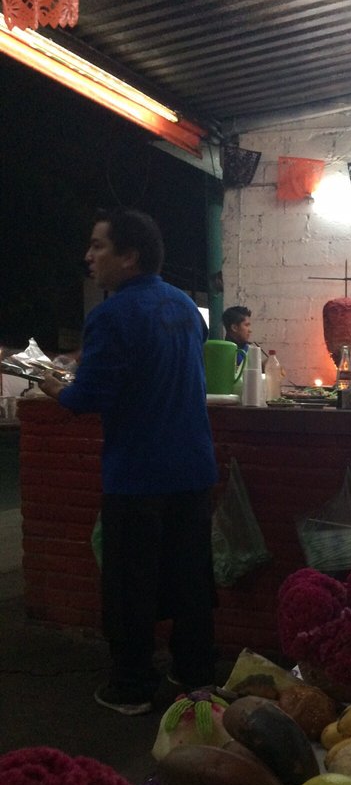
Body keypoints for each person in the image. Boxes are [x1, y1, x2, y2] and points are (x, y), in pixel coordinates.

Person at [41, 207, 219, 716]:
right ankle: (195, 676)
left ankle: (133, 687)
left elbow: (88, 397)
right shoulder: (185, 307)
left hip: (138, 473)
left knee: (129, 585)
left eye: (98, 246)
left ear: (130, 256)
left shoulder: (110, 313)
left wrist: (55, 386)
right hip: (192, 468)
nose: (88, 256)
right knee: (190, 579)